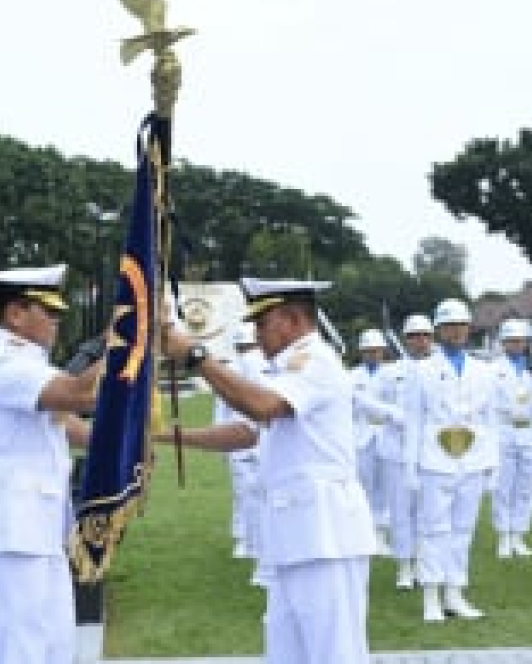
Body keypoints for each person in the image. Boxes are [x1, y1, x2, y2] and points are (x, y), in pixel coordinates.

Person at [160, 278, 375, 664]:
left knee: (333, 653)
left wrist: (195, 355)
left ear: (292, 319)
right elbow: (245, 432)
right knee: (286, 653)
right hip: (293, 535)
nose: (256, 335)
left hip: (324, 536)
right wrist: (165, 436)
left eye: (263, 323)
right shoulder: (284, 369)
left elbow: (262, 407)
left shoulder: (315, 361)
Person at [0, 264, 101, 664]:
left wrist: (129, 445)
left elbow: (64, 423)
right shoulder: (5, 361)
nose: (56, 321)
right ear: (15, 314)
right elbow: (79, 394)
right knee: (24, 651)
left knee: (55, 649)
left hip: (38, 526)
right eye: (48, 311)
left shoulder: (30, 363)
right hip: (11, 528)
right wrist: (126, 346)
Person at [407, 298, 497, 622]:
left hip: (472, 459)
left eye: (461, 325)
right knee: (433, 529)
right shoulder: (421, 370)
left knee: (463, 529)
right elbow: (413, 421)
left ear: (469, 328)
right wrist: (410, 467)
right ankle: (431, 594)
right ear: (438, 330)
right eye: (449, 326)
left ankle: (455, 592)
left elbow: (490, 421)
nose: (456, 331)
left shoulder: (484, 371)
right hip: (434, 458)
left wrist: (492, 465)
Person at [353, 313, 433, 590]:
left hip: (429, 452)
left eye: (425, 335)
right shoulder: (390, 373)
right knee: (400, 511)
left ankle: (423, 563)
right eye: (414, 336)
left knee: (425, 513)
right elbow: (368, 404)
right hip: (395, 449)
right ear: (405, 340)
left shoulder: (441, 370)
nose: (420, 341)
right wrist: (399, 416)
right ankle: (404, 568)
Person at [214, 322, 266, 561]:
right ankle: (244, 537)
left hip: (265, 437)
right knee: (243, 490)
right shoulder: (231, 371)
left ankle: (259, 537)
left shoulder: (268, 367)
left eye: (250, 346)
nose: (248, 351)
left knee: (262, 491)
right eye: (244, 347)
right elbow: (221, 408)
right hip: (238, 435)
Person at [490, 318, 532, 560]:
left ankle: (519, 535)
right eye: (512, 341)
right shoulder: (493, 370)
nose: (517, 345)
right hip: (504, 430)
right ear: (503, 343)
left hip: (528, 431)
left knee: (526, 487)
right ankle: (503, 536)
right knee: (503, 486)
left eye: (521, 341)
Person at [350, 328, 391, 553]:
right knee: (362, 486)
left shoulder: (393, 374)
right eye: (368, 351)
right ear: (362, 352)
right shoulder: (352, 376)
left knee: (384, 487)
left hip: (385, 434)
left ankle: (381, 535)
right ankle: (363, 533)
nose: (373, 354)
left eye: (376, 350)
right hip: (361, 436)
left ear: (383, 351)